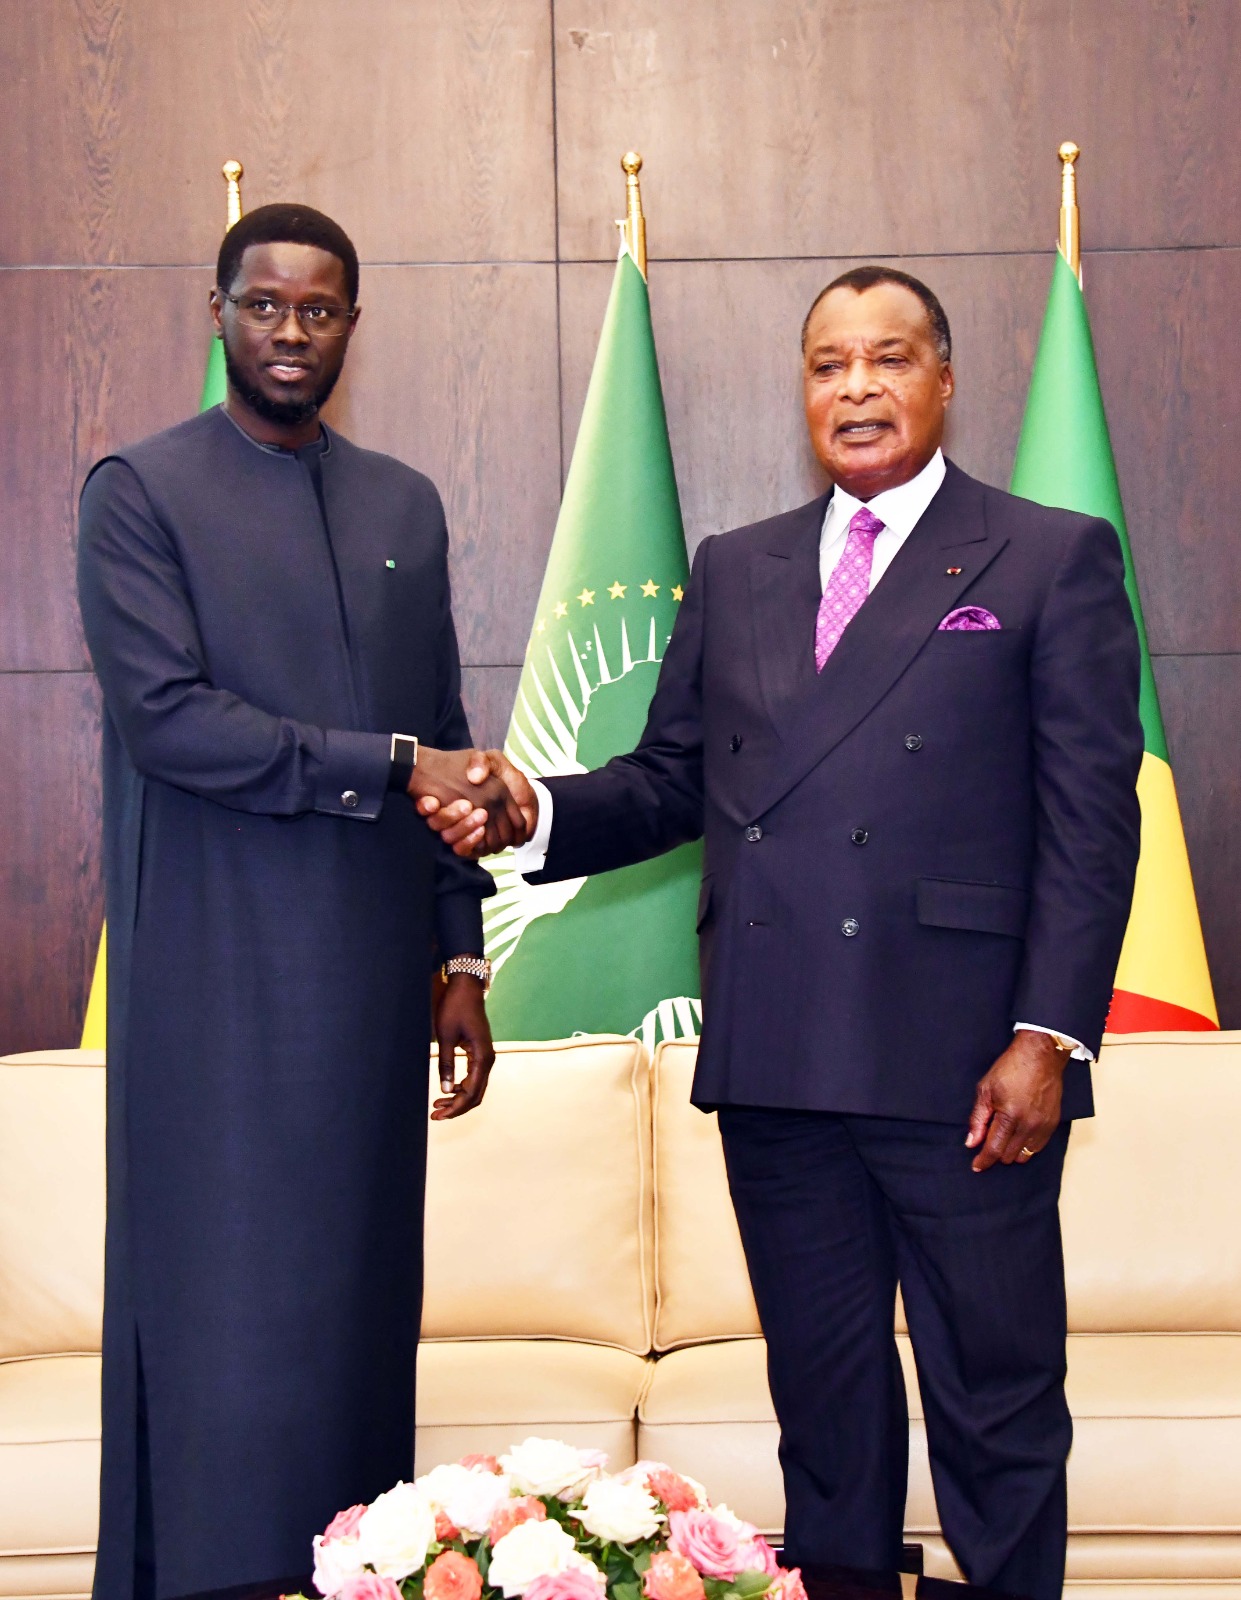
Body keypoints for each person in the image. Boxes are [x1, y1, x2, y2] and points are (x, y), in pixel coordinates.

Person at [425, 267, 1143, 1600]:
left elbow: (1092, 824)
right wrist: (534, 808)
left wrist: (1046, 1036)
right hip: (780, 1056)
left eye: (888, 359)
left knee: (994, 1401)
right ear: (802, 390)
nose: (855, 387)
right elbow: (669, 781)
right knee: (823, 1407)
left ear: (944, 379)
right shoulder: (737, 565)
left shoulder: (1047, 554)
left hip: (968, 1068)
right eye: (827, 365)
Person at [77, 202, 531, 1600]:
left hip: (370, 986)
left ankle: (358, 1577)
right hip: (213, 982)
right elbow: (170, 721)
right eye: (265, 304)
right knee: (223, 1317)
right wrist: (392, 764)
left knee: (353, 1314)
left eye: (319, 310)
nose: (291, 331)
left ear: (351, 327)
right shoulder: (138, 490)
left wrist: (458, 959)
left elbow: (442, 728)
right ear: (217, 312)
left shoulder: (404, 502)